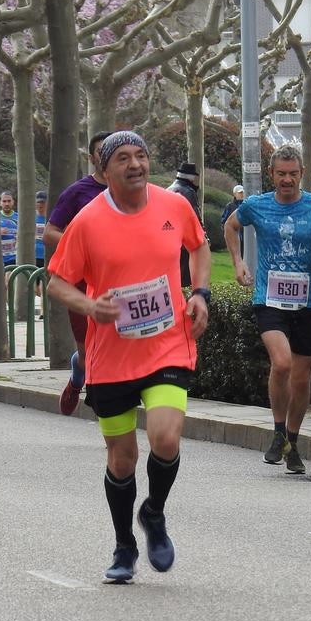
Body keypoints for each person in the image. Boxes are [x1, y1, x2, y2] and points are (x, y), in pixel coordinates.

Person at [47, 130, 211, 583]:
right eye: (123, 157)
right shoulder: (87, 221)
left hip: (167, 343)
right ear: (103, 171)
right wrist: (88, 305)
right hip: (112, 355)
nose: (135, 163)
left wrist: (200, 293)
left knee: (165, 437)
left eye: (141, 154)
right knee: (121, 458)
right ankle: (124, 545)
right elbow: (56, 281)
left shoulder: (174, 206)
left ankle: (154, 513)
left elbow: (199, 246)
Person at [223, 144, 311, 473]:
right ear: (271, 175)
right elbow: (230, 225)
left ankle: (292, 441)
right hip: (269, 299)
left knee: (301, 377)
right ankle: (278, 430)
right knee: (281, 363)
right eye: (281, 174)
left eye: (292, 174)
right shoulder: (256, 205)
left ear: (302, 175)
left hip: (307, 302)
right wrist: (238, 263)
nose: (287, 180)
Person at [44, 130, 112, 415]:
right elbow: (50, 233)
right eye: (102, 152)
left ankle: (106, 403)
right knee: (88, 350)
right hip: (83, 285)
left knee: (114, 347)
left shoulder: (137, 193)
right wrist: (82, 249)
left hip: (123, 283)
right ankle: (77, 375)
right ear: (92, 158)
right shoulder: (78, 193)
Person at [166, 161, 206, 288]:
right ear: (192, 177)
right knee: (185, 277)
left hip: (168, 237)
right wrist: (203, 236)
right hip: (184, 240)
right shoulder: (188, 192)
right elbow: (195, 217)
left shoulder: (168, 190)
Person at [0, 190, 18, 268]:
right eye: (4, 201)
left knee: (8, 278)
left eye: (9, 201)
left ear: (13, 202)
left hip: (14, 257)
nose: (7, 204)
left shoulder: (19, 217)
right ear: (0, 202)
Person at [34, 190, 47, 268]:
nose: (40, 205)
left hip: (46, 255)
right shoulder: (30, 217)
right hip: (33, 255)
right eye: (38, 202)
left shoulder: (51, 217)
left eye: (43, 202)